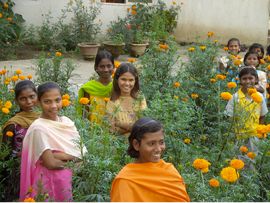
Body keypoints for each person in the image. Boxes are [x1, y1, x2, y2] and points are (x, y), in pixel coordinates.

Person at [20, 82, 87, 201]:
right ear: (38, 102)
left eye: (57, 100)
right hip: (49, 182)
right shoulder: (39, 128)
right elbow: (51, 163)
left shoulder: (66, 122)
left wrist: (61, 155)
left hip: (68, 180)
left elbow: (82, 153)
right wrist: (75, 160)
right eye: (47, 101)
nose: (54, 106)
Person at [110, 117, 190, 202]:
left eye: (161, 142)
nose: (158, 149)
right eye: (152, 143)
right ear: (136, 144)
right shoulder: (126, 180)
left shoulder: (170, 172)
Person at [1, 80, 39, 201]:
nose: (28, 102)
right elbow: (5, 153)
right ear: (16, 101)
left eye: (32, 96)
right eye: (23, 98)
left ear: (37, 96)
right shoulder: (13, 124)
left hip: (41, 168)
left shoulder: (44, 118)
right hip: (19, 172)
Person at [225, 67, 268, 139]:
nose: (247, 81)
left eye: (250, 78)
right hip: (238, 136)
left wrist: (260, 133)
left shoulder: (259, 96)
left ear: (256, 79)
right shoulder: (235, 97)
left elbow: (262, 116)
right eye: (244, 79)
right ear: (240, 81)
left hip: (254, 136)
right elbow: (229, 117)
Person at [106, 63, 147, 136]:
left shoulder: (140, 98)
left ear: (135, 81)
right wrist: (133, 127)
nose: (127, 83)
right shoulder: (112, 101)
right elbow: (112, 131)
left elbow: (144, 126)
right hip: (119, 144)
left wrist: (119, 124)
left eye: (131, 80)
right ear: (117, 79)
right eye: (123, 79)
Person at [78, 50, 114, 123]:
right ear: (96, 68)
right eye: (102, 66)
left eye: (109, 66)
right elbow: (85, 113)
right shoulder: (89, 88)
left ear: (113, 67)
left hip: (113, 129)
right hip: (93, 130)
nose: (106, 70)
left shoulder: (117, 86)